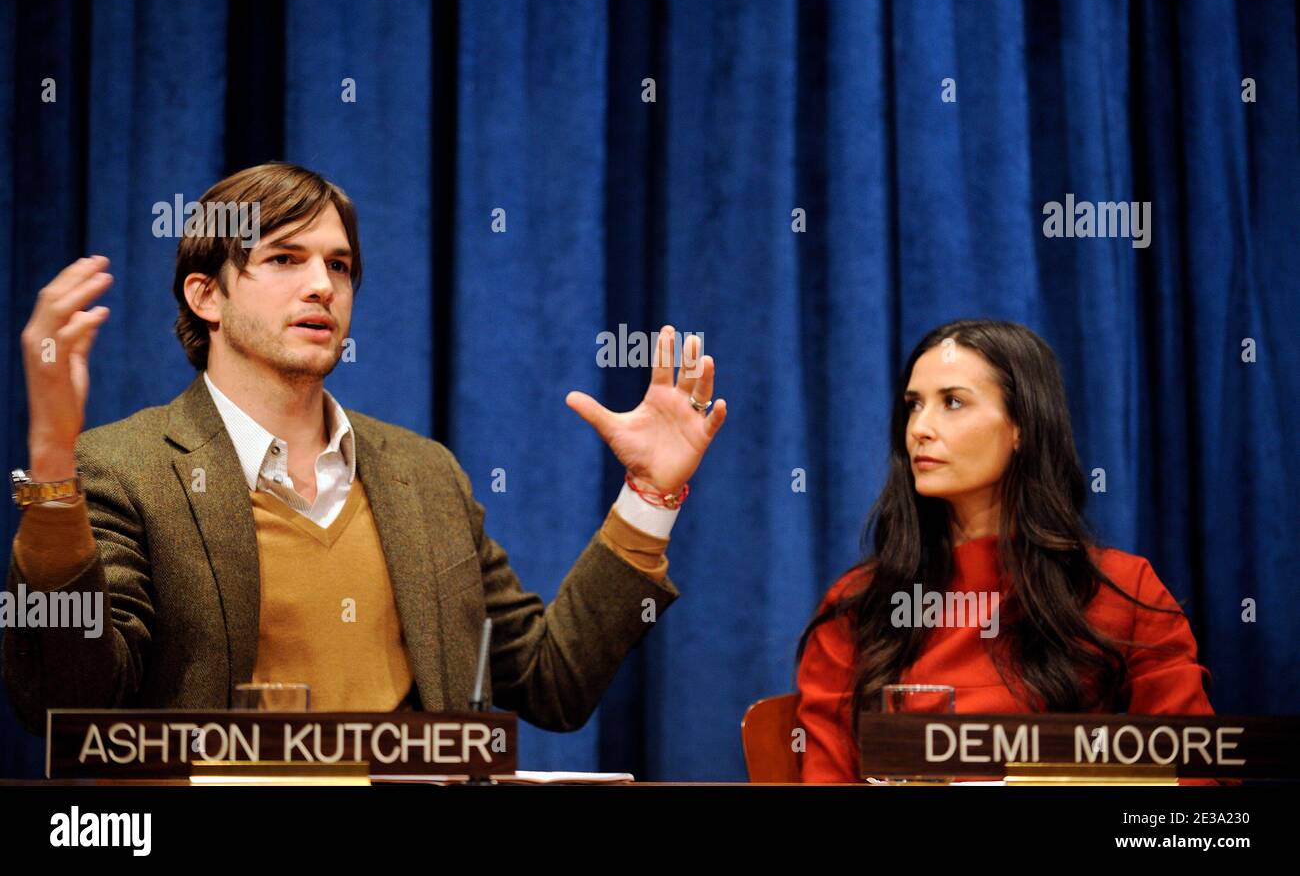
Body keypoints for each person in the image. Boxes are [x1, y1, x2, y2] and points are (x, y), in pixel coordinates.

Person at [4, 161, 727, 734]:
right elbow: (71, 700)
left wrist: (647, 496)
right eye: (285, 259)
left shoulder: (425, 474)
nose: (322, 284)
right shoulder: (124, 469)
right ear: (207, 296)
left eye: (340, 266)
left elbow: (550, 683)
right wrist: (50, 464)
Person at [795, 319, 1214, 783]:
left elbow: (1195, 772)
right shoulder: (860, 604)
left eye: (952, 402)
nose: (920, 428)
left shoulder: (1124, 589)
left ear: (1022, 428)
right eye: (913, 406)